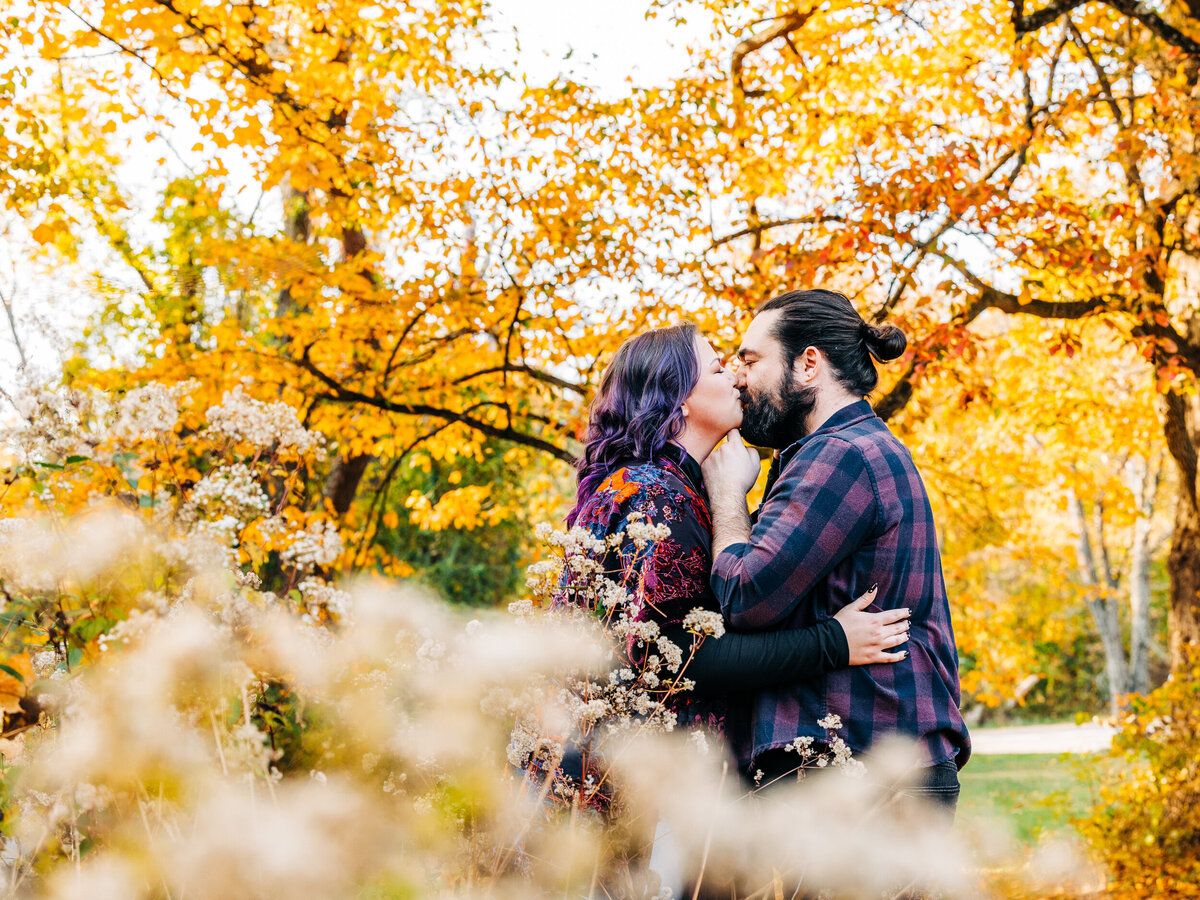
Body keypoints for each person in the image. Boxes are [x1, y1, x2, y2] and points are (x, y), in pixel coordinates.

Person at [559, 321, 912, 768]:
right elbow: (674, 655)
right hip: (624, 777)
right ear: (680, 398)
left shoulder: (670, 490)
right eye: (718, 368)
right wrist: (832, 642)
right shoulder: (652, 495)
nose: (736, 378)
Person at [703, 289, 970, 811]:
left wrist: (728, 494)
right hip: (867, 767)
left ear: (808, 364)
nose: (739, 376)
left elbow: (742, 594)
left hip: (864, 774)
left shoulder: (841, 455)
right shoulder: (837, 452)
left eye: (751, 361)